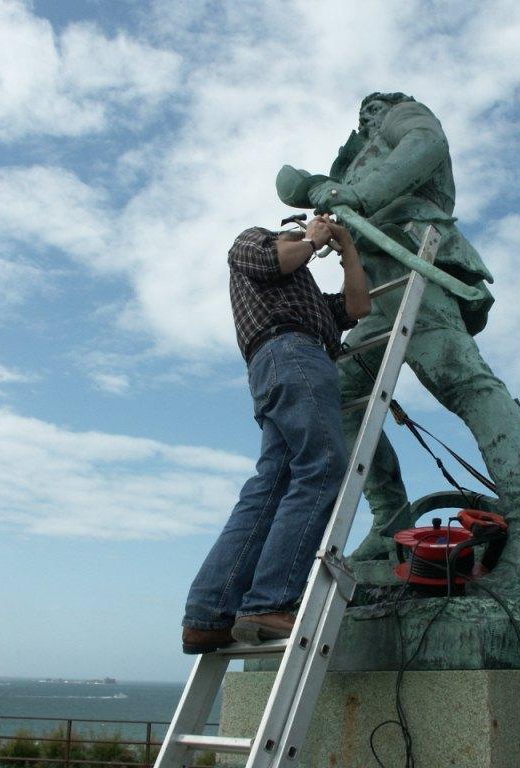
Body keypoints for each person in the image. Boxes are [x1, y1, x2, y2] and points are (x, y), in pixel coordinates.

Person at [280, 92, 520, 595]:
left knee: (465, 383)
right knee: (337, 395)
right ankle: (390, 521)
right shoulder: (358, 155)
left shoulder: (403, 115)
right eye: (362, 113)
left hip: (413, 268)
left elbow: (425, 143)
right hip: (377, 293)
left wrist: (356, 195)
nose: (366, 116)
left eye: (372, 109)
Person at [181, 215, 370, 652]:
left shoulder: (305, 295)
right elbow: (276, 260)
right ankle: (269, 601)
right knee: (323, 467)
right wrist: (313, 239)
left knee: (270, 487)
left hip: (287, 365)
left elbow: (358, 307)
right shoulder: (251, 242)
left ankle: (208, 615)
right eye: (294, 231)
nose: (302, 234)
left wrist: (348, 249)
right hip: (292, 354)